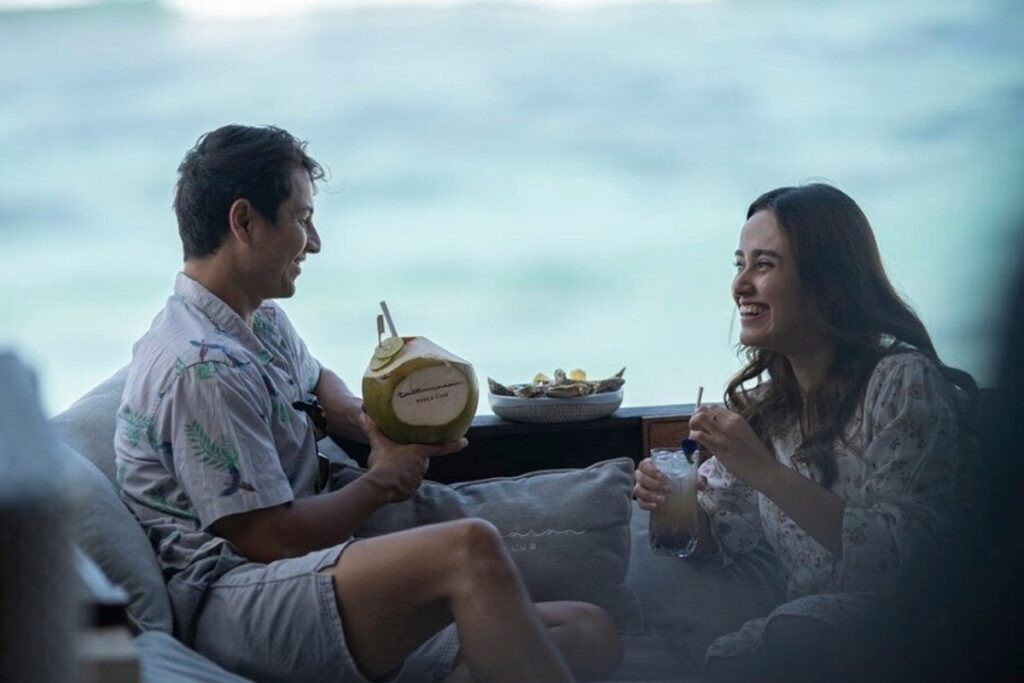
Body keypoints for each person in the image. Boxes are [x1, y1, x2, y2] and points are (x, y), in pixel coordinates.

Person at [114, 124, 621, 683]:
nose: (315, 241)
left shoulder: (257, 321)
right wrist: (383, 480)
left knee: (586, 632)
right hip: (234, 602)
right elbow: (269, 538)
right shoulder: (202, 365)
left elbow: (316, 384)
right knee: (468, 549)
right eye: (302, 218)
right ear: (243, 222)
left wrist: (379, 419)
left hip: (298, 575)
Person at [633, 183, 977, 681]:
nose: (740, 284)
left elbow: (904, 559)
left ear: (828, 285)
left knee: (792, 635)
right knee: (730, 659)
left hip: (913, 627)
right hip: (802, 631)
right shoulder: (771, 411)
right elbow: (719, 536)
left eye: (764, 264)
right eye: (739, 264)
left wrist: (763, 471)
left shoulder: (902, 381)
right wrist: (670, 498)